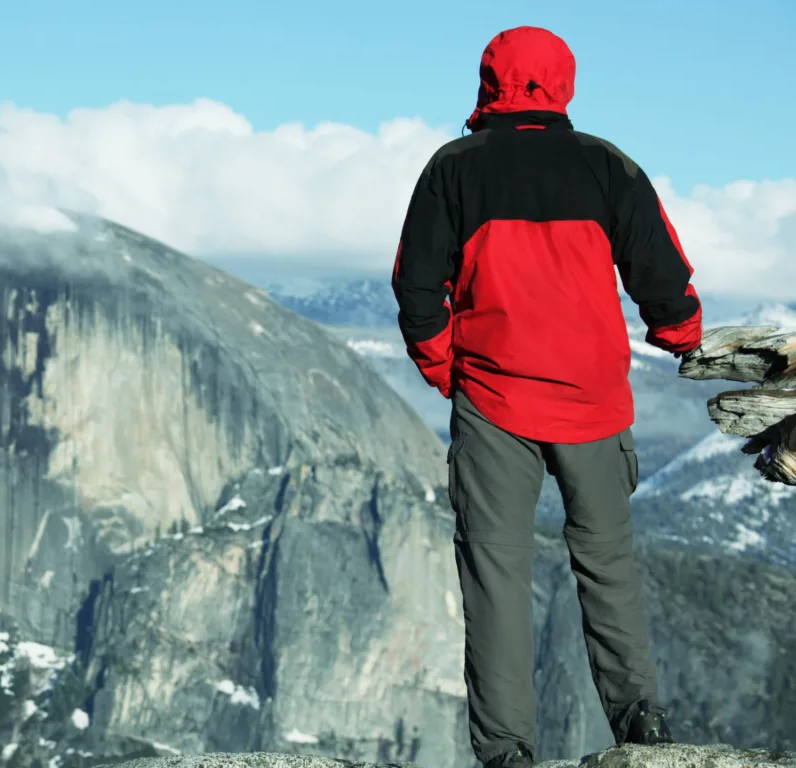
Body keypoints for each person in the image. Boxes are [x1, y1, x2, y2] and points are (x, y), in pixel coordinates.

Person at [391, 25, 702, 768]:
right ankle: (640, 724)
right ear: (563, 83)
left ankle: (506, 754)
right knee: (608, 561)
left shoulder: (453, 168)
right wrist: (681, 332)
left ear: (488, 80)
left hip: (493, 404)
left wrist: (446, 370)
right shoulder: (607, 165)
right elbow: (662, 273)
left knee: (496, 575)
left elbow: (415, 284)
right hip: (594, 404)